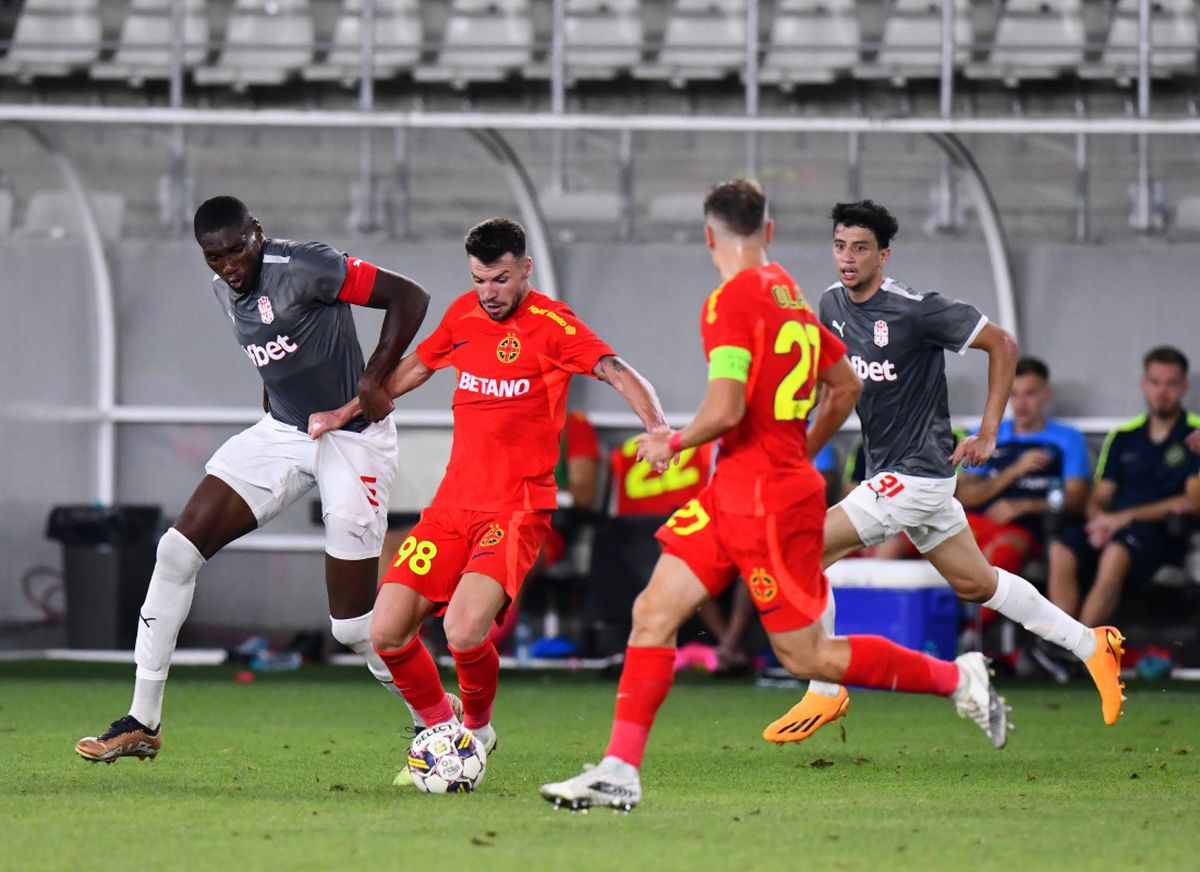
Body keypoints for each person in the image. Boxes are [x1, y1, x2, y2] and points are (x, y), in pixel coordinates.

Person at [540, 179, 1009, 813]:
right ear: (768, 232)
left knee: (806, 654)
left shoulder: (729, 302)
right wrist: (798, 445)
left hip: (765, 500)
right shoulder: (790, 292)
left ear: (709, 237)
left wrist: (671, 443)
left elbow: (727, 407)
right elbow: (843, 387)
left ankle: (960, 678)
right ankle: (620, 770)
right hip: (734, 490)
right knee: (653, 612)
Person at [76, 195, 435, 763]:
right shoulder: (226, 286)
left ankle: (437, 721)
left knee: (352, 627)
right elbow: (278, 354)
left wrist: (373, 378)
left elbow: (409, 296)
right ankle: (143, 720)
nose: (229, 266)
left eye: (237, 250)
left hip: (353, 438)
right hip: (282, 433)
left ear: (258, 234)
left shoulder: (308, 266)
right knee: (174, 552)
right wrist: (275, 402)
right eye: (214, 257)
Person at [308, 217, 669, 777]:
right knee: (385, 629)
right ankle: (442, 733)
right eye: (480, 280)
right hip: (452, 506)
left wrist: (659, 428)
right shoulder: (462, 315)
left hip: (517, 509)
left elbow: (620, 372)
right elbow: (416, 368)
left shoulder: (554, 325)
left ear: (525, 268)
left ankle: (475, 733)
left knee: (461, 630)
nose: (489, 293)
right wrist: (347, 411)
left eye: (499, 280)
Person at [761, 200, 1125, 746]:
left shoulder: (916, 309)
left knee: (803, 549)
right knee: (976, 583)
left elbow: (1002, 343)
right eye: (840, 246)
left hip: (918, 474)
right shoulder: (832, 304)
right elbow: (832, 376)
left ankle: (824, 685)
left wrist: (988, 431)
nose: (848, 258)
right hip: (899, 474)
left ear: (883, 254)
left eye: (860, 248)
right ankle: (1092, 645)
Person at [1046, 347, 1200, 635]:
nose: (1162, 392)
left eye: (1170, 384)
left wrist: (1123, 518)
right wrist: (1098, 522)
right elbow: (1100, 495)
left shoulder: (1195, 435)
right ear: (1144, 385)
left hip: (1160, 532)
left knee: (1117, 552)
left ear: (1183, 387)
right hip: (1111, 526)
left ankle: (1079, 650)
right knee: (1061, 549)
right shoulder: (1123, 436)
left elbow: (1192, 500)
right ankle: (1061, 643)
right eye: (1155, 382)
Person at [957, 356, 1090, 578]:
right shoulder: (986, 435)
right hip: (978, 522)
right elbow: (963, 496)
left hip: (1026, 527)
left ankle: (971, 614)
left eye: (1030, 393)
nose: (1021, 404)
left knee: (1000, 556)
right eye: (1014, 394)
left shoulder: (1068, 438)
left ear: (1046, 394)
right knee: (908, 541)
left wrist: (1027, 505)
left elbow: (1077, 500)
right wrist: (1014, 471)